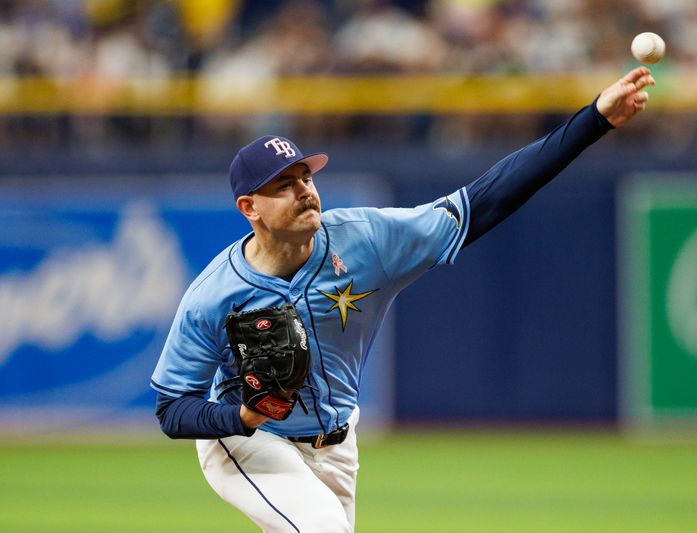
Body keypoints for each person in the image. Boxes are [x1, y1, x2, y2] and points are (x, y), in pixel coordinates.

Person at [151, 66, 656, 532]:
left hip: (338, 441)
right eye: (283, 185)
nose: (304, 190)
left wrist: (594, 121)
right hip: (249, 442)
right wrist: (240, 419)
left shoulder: (365, 239)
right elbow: (173, 408)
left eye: (306, 177)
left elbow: (484, 201)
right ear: (249, 207)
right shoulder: (214, 295)